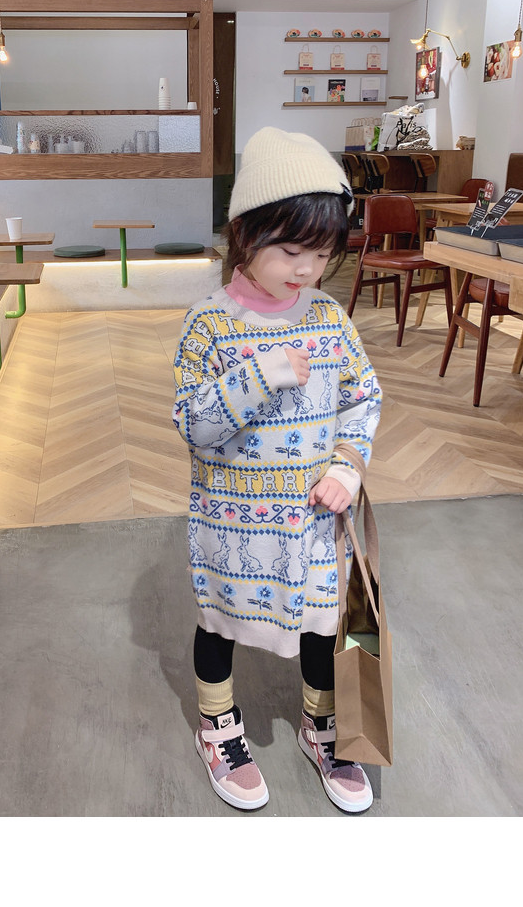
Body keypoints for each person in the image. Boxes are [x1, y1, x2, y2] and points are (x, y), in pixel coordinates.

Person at [172, 127, 382, 813]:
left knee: (324, 622)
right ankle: (218, 725)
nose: (306, 269)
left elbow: (363, 397)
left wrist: (347, 468)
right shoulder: (208, 325)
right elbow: (193, 423)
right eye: (291, 251)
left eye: (322, 253)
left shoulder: (329, 319)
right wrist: (258, 374)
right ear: (245, 235)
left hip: (315, 520)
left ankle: (324, 726)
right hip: (231, 523)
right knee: (219, 620)